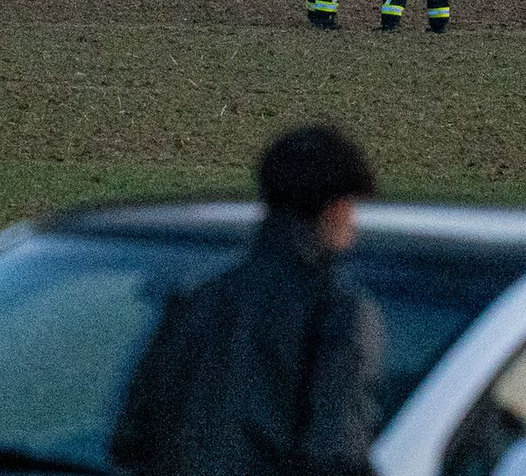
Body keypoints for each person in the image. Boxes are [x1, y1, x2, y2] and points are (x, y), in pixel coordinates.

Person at [112, 123, 382, 476]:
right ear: (336, 210)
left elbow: (130, 439)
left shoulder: (194, 301)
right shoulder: (337, 314)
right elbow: (335, 455)